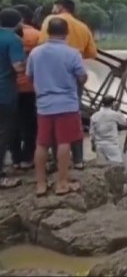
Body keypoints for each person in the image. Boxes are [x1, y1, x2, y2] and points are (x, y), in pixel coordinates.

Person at [27, 18, 87, 197]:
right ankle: (61, 183)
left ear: (48, 32)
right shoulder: (72, 53)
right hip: (66, 104)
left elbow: (30, 76)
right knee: (64, 142)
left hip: (44, 105)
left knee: (42, 143)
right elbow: (82, 77)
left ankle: (40, 184)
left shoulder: (35, 53)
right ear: (66, 32)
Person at [38, 0, 97, 170]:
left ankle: (57, 161)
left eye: (54, 5)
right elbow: (91, 52)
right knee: (74, 115)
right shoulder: (82, 26)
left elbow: (42, 44)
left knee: (51, 118)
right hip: (73, 76)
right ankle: (78, 159)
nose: (52, 8)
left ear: (61, 7)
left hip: (50, 76)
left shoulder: (49, 20)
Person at [11, 5, 40, 170]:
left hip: (9, 87)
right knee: (30, 123)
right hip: (30, 87)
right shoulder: (37, 35)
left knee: (10, 124)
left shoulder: (5, 36)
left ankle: (15, 158)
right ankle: (28, 157)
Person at [0, 9, 26, 189]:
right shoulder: (13, 40)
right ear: (17, 23)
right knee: (3, 134)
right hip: (4, 94)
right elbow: (18, 67)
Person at [89, 95, 127, 163]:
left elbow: (92, 132)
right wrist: (118, 110)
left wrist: (92, 144)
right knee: (116, 167)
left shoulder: (95, 115)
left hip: (99, 145)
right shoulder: (114, 114)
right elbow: (124, 122)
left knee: (101, 169)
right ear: (112, 103)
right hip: (112, 144)